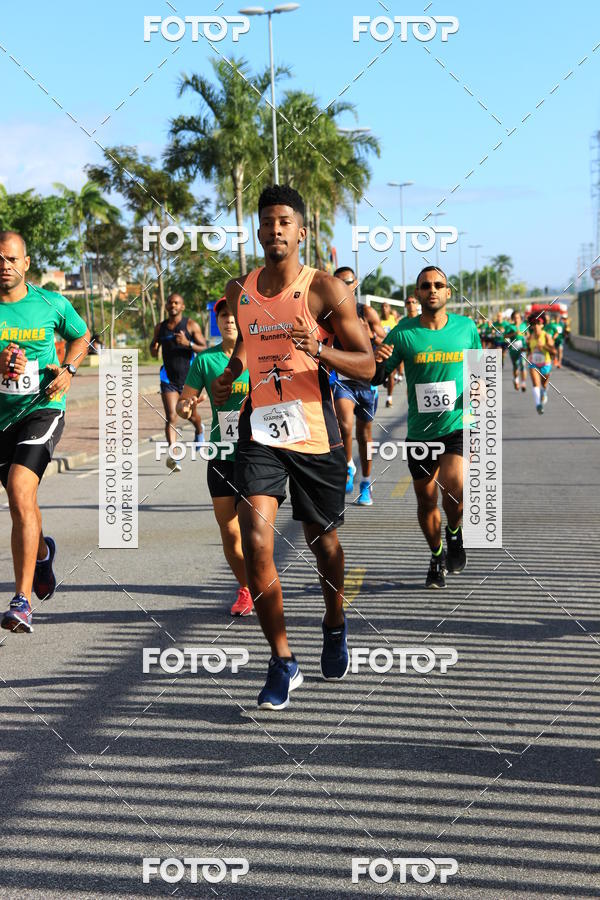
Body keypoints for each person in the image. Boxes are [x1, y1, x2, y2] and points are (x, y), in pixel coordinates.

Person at [213, 184, 375, 710]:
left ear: (301, 231)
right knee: (257, 542)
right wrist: (229, 374)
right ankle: (283, 661)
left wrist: (322, 349)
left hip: (315, 432)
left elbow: (368, 364)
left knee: (322, 543)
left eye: (284, 221)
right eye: (266, 222)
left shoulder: (326, 290)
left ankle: (334, 620)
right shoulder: (241, 289)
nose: (274, 229)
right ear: (257, 231)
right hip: (260, 430)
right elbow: (245, 351)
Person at [0, 231, 90, 633]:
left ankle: (21, 601)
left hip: (42, 408)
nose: (5, 265)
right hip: (2, 417)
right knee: (23, 502)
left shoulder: (51, 303)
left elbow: (82, 336)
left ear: (26, 263)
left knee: (20, 488)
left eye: (12, 258)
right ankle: (39, 556)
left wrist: (69, 370)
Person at [373, 266, 481, 589]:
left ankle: (454, 532)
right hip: (420, 431)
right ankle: (437, 554)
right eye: (425, 285)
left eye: (438, 285)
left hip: (457, 424)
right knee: (426, 500)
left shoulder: (466, 328)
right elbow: (378, 376)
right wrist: (376, 359)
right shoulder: (403, 333)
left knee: (455, 485)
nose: (432, 289)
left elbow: (480, 370)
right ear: (418, 293)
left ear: (448, 293)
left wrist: (480, 387)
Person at [177, 297, 253, 616]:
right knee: (230, 530)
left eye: (234, 315)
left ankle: (263, 579)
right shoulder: (205, 361)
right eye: (223, 315)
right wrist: (185, 407)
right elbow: (186, 400)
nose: (229, 320)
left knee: (254, 529)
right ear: (217, 322)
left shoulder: (259, 354)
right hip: (221, 453)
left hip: (255, 454)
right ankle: (247, 588)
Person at [331, 266, 384, 506]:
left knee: (365, 435)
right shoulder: (329, 314)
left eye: (348, 282)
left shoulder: (367, 311)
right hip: (343, 381)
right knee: (344, 423)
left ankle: (366, 483)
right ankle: (348, 466)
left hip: (366, 381)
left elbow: (384, 339)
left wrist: (371, 336)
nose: (343, 287)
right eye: (338, 283)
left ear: (356, 284)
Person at [150, 293, 206, 472]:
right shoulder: (160, 327)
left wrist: (187, 343)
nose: (173, 305)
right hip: (168, 378)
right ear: (166, 306)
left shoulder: (190, 325)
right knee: (172, 416)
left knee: (191, 416)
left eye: (177, 302)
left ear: (182, 306)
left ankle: (199, 429)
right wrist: (153, 347)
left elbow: (204, 348)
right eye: (170, 302)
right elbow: (153, 351)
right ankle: (174, 456)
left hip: (190, 380)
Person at [390, 295, 420, 404]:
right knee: (411, 384)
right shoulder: (402, 322)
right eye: (408, 302)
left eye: (413, 302)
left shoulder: (423, 319)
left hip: (424, 354)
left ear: (417, 304)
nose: (411, 304)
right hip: (409, 356)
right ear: (405, 306)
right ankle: (412, 408)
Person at [527, 313, 556, 414]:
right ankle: (538, 405)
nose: (536, 326)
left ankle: (543, 391)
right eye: (533, 323)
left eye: (538, 323)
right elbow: (528, 349)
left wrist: (543, 346)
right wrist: (529, 354)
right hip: (533, 363)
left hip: (545, 364)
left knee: (543, 385)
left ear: (542, 325)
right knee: (535, 384)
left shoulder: (546, 336)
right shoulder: (530, 337)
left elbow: (554, 352)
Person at [505, 310, 528, 391]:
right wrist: (514, 334)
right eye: (514, 318)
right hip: (513, 349)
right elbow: (505, 336)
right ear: (512, 319)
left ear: (520, 318)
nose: (516, 319)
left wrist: (526, 337)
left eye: (518, 318)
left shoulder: (524, 325)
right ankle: (516, 379)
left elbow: (527, 335)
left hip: (522, 348)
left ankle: (523, 383)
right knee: (515, 366)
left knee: (523, 364)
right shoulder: (510, 326)